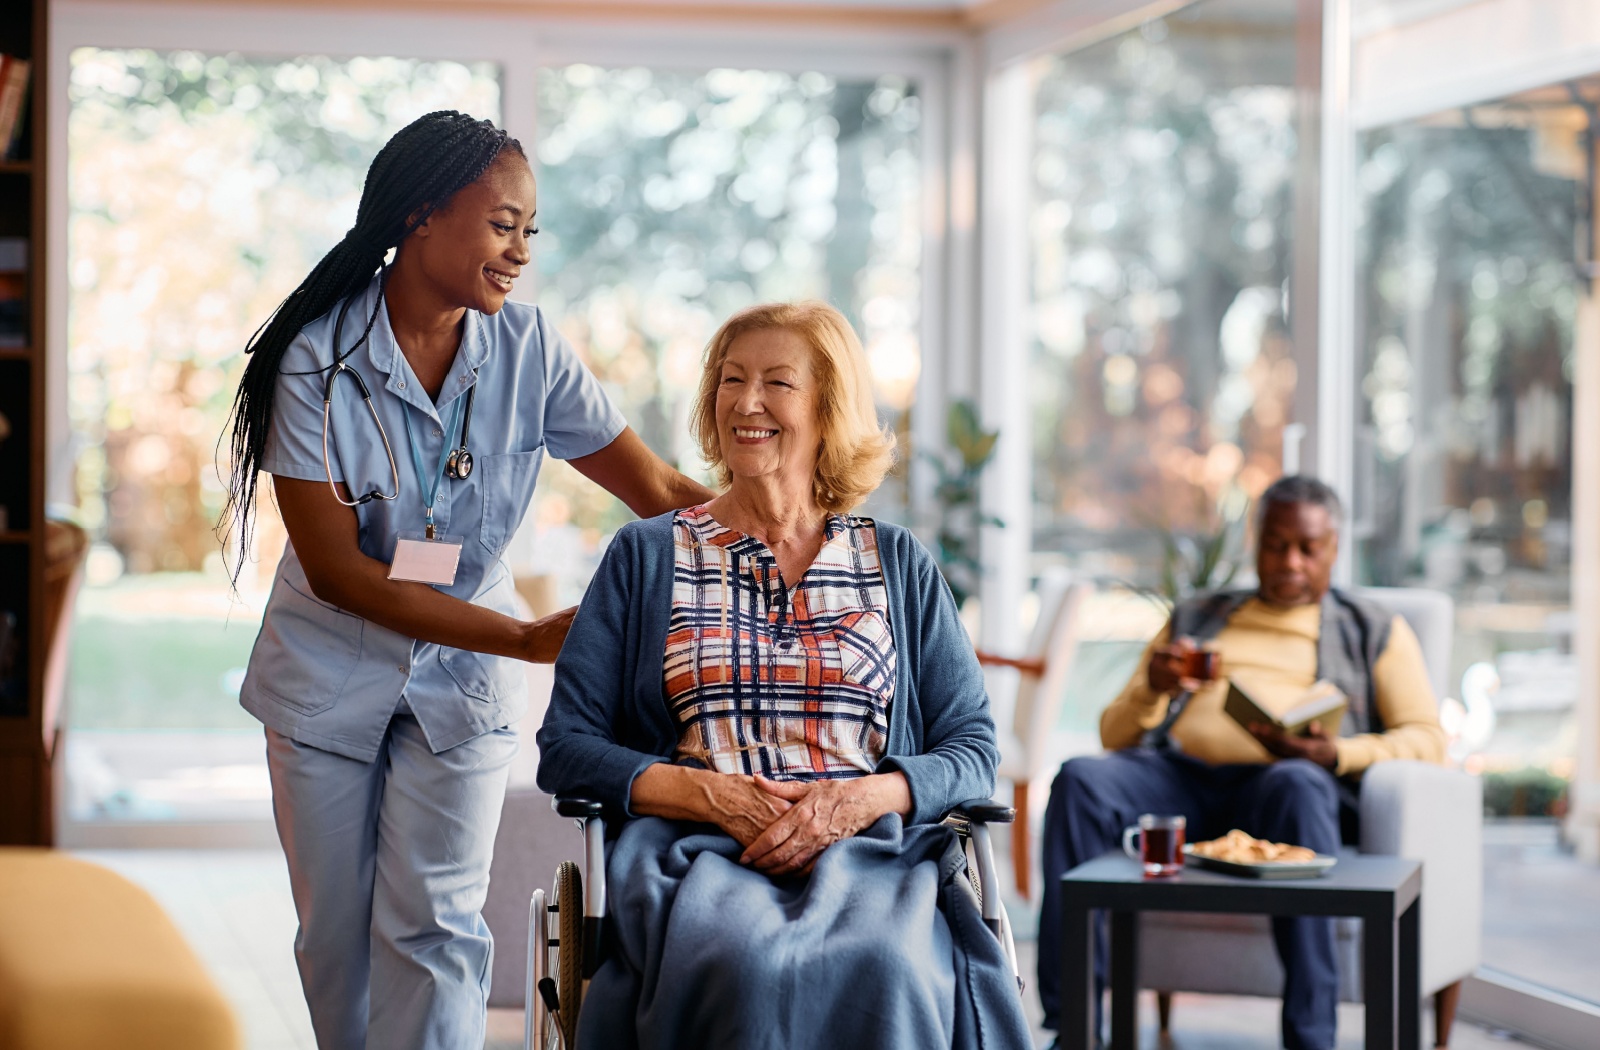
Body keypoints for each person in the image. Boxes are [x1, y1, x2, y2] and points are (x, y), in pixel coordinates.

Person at [221, 111, 712, 1050]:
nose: (521, 250)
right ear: (420, 215)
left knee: (438, 922)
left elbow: (654, 489)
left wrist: (775, 533)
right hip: (330, 674)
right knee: (335, 939)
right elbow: (337, 573)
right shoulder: (316, 362)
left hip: (463, 683)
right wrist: (528, 641)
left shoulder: (529, 351)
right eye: (502, 224)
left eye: (532, 229)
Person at [536, 301, 1033, 1050]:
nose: (747, 403)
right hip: (695, 856)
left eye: (778, 383)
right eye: (730, 381)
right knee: (744, 968)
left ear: (829, 409)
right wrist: (709, 794)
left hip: (872, 854)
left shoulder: (897, 562)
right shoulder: (644, 556)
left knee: (887, 964)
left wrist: (860, 799)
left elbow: (972, 749)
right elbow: (567, 746)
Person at [1036, 475, 1447, 1050]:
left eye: (1308, 548)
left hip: (1280, 792)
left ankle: (1312, 1036)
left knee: (1300, 783)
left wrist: (1339, 753)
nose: (1290, 562)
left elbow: (1428, 738)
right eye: (1276, 544)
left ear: (1334, 547)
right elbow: (1114, 733)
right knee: (1080, 779)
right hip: (1182, 781)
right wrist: (1152, 688)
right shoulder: (1200, 614)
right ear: (1256, 543)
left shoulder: (1373, 629)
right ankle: (1074, 1026)